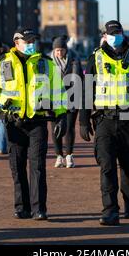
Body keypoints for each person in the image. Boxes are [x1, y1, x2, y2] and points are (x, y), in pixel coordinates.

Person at [0, 28, 67, 221]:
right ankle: (22, 206)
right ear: (16, 42)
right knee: (17, 166)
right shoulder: (1, 64)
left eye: (33, 41)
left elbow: (59, 92)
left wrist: (62, 116)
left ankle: (39, 209)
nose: (31, 44)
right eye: (26, 41)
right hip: (14, 123)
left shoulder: (46, 64)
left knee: (37, 166)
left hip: (38, 122)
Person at [79, 20, 129, 226]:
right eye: (111, 33)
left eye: (117, 32)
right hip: (104, 119)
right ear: (105, 35)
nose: (114, 36)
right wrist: (83, 121)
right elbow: (86, 91)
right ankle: (110, 210)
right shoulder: (95, 57)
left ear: (122, 33)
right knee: (106, 167)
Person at [50, 35, 84, 169]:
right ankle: (59, 156)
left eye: (61, 50)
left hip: (71, 98)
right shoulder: (48, 61)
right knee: (55, 129)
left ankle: (69, 155)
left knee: (69, 127)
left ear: (66, 50)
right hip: (54, 100)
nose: (59, 53)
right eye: (56, 50)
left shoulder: (74, 59)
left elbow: (79, 77)